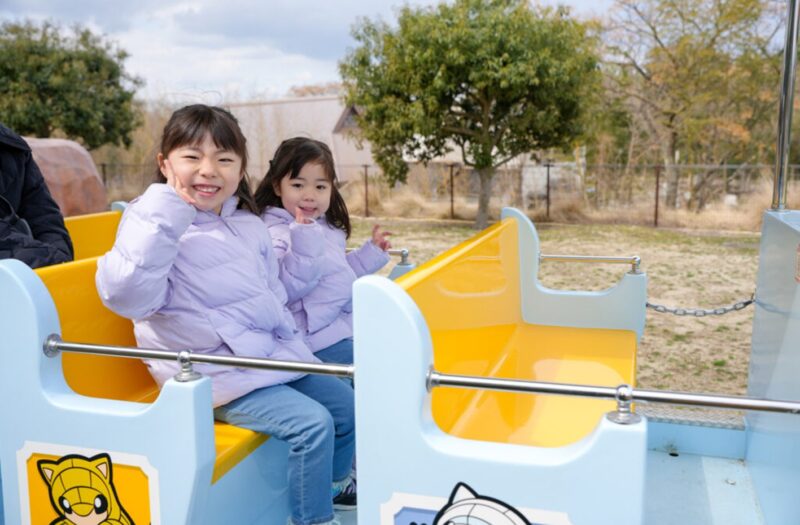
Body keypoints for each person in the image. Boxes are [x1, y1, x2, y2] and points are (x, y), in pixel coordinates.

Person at [95, 105, 354, 525]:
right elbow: (128, 297)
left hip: (265, 357)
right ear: (165, 164)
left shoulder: (247, 224)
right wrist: (168, 212)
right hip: (210, 371)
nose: (209, 170)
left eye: (225, 159)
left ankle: (330, 491)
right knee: (314, 425)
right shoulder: (151, 221)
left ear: (240, 170)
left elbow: (277, 293)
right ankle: (314, 519)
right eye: (192, 157)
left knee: (347, 407)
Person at [254, 138, 390, 369]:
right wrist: (304, 238)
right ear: (278, 186)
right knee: (378, 368)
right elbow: (280, 288)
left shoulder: (326, 228)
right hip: (313, 337)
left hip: (338, 327)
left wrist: (371, 253)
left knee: (390, 358)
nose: (309, 195)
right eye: (298, 185)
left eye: (320, 187)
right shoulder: (275, 232)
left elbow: (337, 273)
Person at [0, 123, 73, 268]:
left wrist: (60, 259)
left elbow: (44, 217)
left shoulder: (13, 148)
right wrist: (49, 256)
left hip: (25, 274)